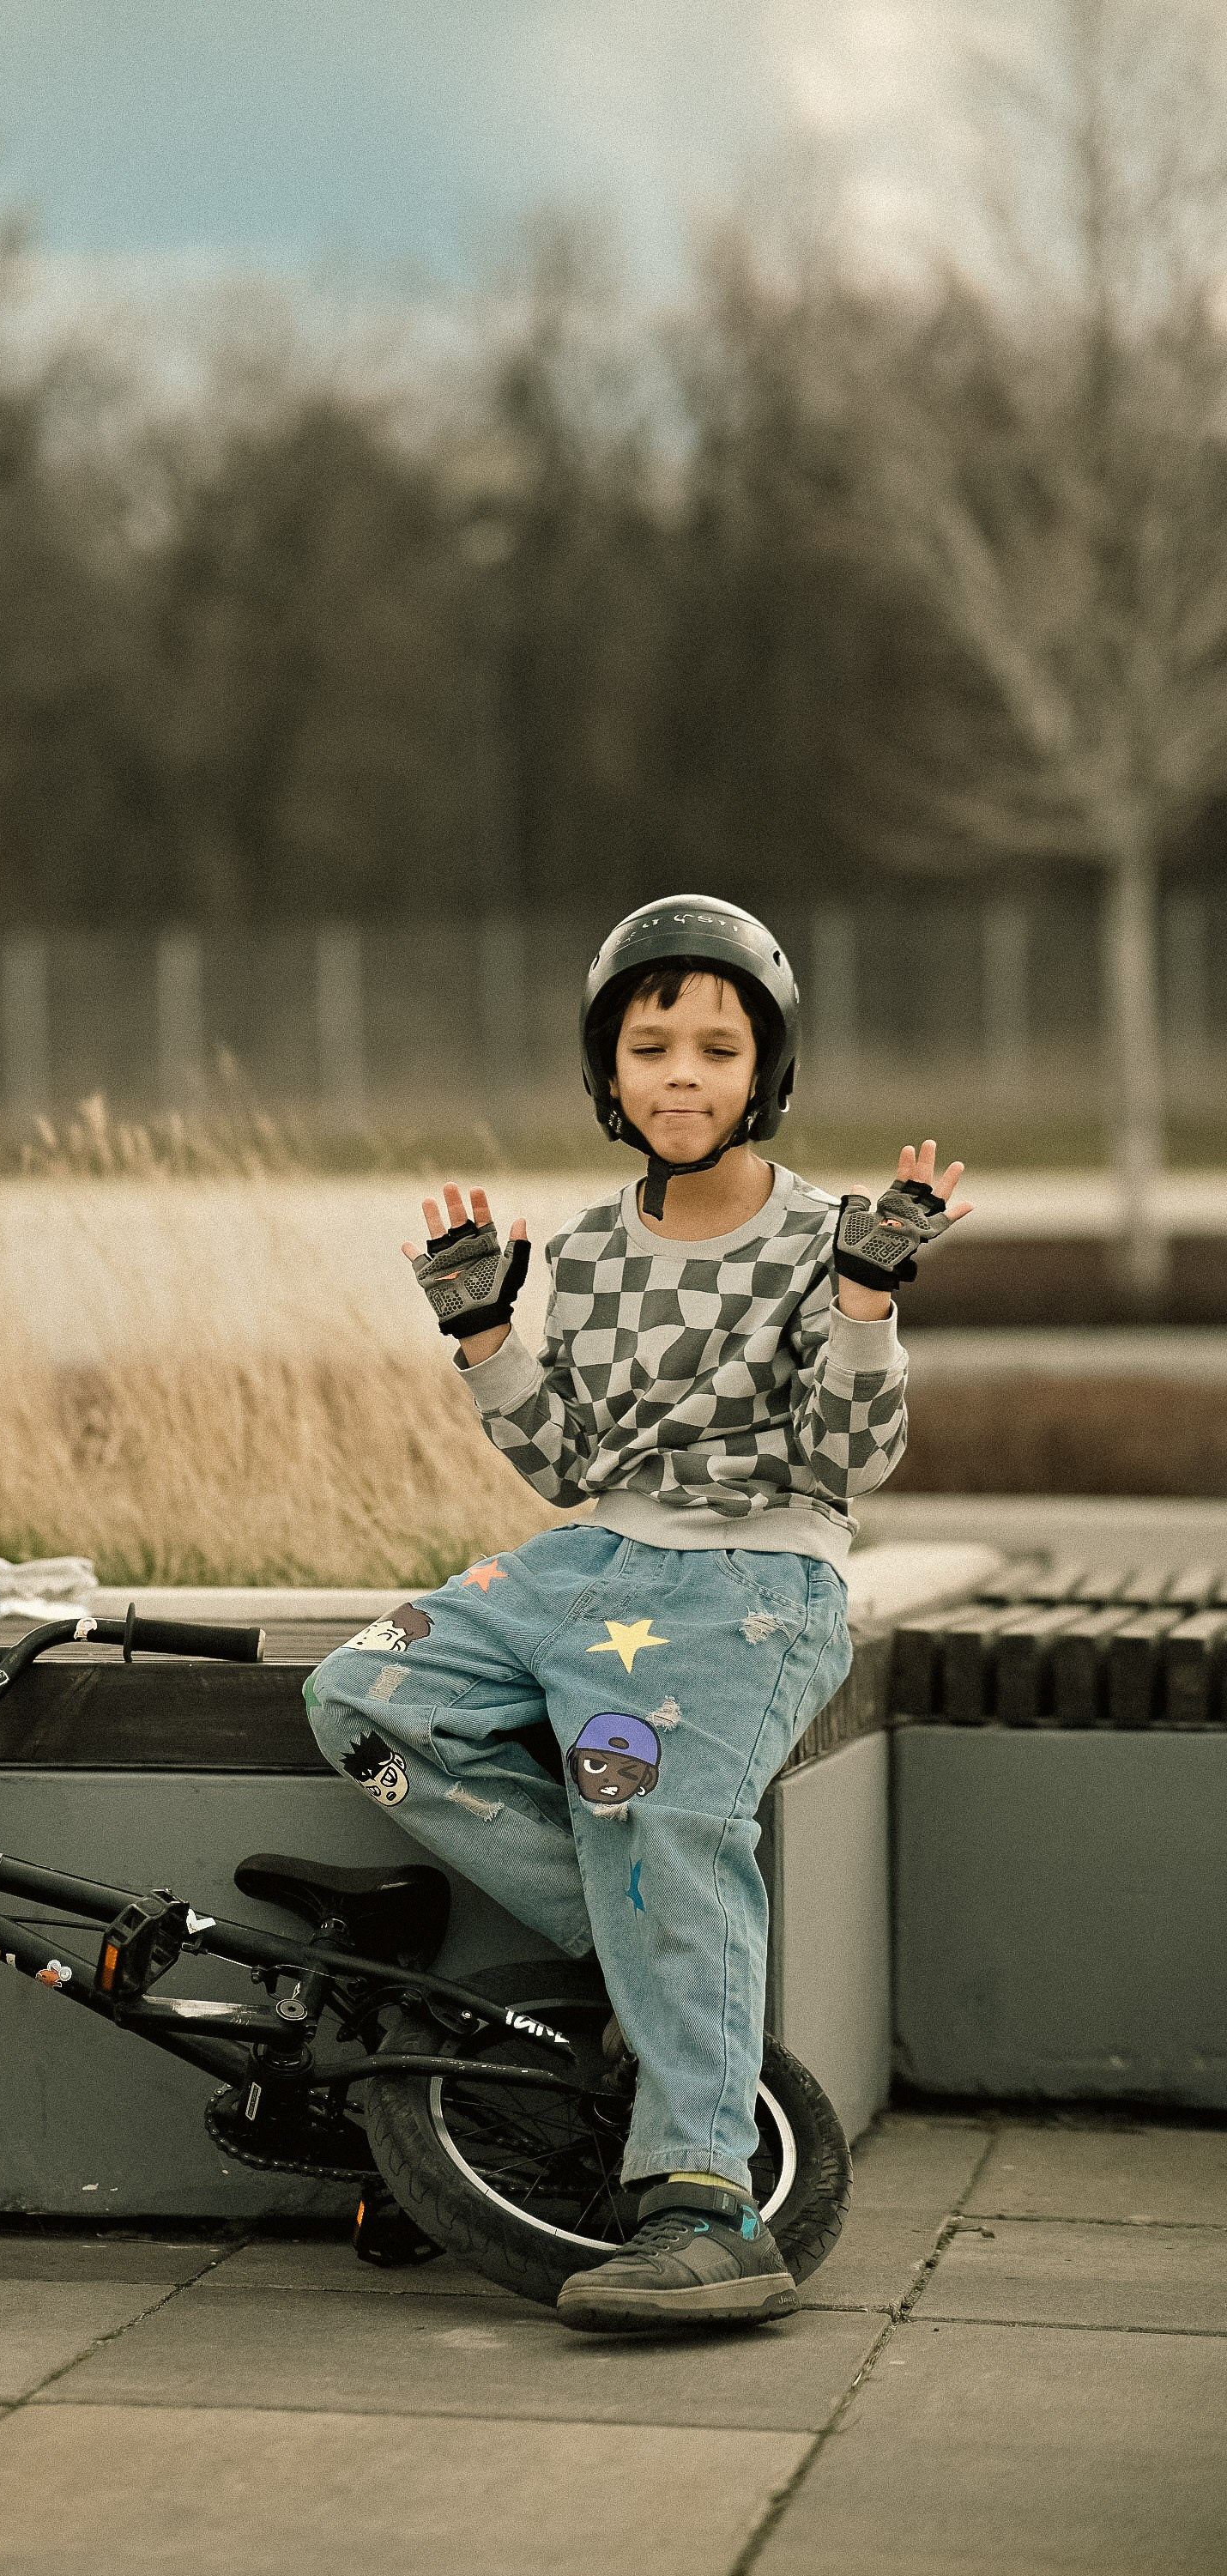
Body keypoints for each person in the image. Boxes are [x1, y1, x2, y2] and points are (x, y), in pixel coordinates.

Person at [303, 894, 970, 2333]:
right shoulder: (596, 1252)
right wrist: (484, 1333)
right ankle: (653, 1961)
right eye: (648, 1045)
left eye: (716, 1049)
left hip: (754, 1581)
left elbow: (853, 1461)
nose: (681, 1075)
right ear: (605, 1072)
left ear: (766, 1074)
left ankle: (704, 2204)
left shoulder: (823, 1237)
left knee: (664, 1815)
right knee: (362, 1693)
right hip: (588, 1563)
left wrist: (866, 1303)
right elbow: (566, 1462)